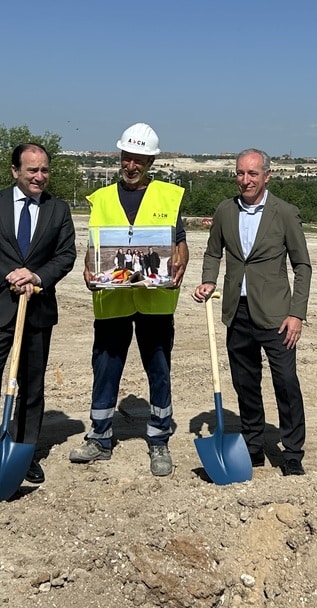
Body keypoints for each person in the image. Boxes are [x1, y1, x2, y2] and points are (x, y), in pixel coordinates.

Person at [70, 123, 189, 477]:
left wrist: (181, 265)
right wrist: (90, 271)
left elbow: (180, 243)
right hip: (112, 301)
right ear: (120, 157)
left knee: (159, 371)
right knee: (105, 369)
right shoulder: (102, 198)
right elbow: (94, 248)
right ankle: (100, 437)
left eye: (139, 159)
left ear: (150, 161)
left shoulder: (168, 196)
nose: (131, 165)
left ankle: (158, 438)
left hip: (155, 302)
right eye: (127, 158)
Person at [0, 142, 77, 493]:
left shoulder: (58, 209)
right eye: (32, 171)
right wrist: (10, 273)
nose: (39, 177)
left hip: (37, 309)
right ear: (15, 171)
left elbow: (65, 254)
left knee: (31, 385)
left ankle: (24, 454)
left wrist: (37, 277)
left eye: (44, 170)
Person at [192, 148, 312, 476]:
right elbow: (213, 252)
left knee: (286, 383)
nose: (245, 180)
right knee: (245, 383)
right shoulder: (225, 211)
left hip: (277, 316)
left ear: (267, 176)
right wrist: (208, 281)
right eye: (241, 174)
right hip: (237, 313)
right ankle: (254, 446)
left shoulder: (284, 213)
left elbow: (302, 265)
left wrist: (296, 314)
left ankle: (292, 453)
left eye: (252, 174)